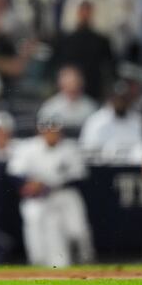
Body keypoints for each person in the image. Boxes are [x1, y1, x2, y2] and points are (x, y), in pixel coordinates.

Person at [7, 114, 94, 267]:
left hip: (64, 194)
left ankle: (86, 261)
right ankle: (39, 264)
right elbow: (14, 172)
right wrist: (28, 184)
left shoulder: (70, 148)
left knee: (77, 231)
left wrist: (47, 184)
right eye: (47, 130)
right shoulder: (29, 147)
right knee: (37, 226)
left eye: (54, 130)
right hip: (39, 197)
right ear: (40, 131)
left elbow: (79, 177)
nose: (51, 133)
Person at [79, 80, 142, 163]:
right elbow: (87, 151)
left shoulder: (138, 120)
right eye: (117, 98)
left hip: (132, 169)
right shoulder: (96, 121)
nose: (120, 102)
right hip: (103, 170)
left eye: (124, 98)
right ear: (111, 98)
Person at [36, 66, 97, 137]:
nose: (72, 86)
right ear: (61, 84)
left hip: (83, 144)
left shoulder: (91, 106)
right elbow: (44, 131)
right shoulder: (50, 106)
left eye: (75, 81)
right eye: (68, 82)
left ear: (81, 83)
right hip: (60, 146)